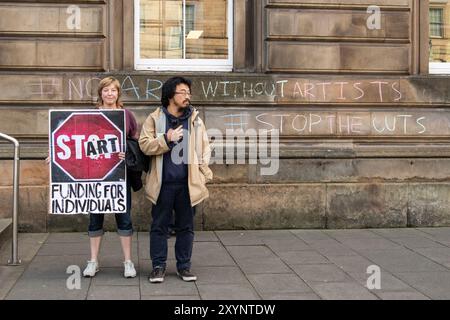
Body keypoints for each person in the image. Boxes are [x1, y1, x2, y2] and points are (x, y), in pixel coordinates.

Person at [139, 76, 213, 283]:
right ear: (170, 95)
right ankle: (158, 267)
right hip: (163, 184)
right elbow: (144, 145)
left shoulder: (195, 120)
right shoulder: (154, 118)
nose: (187, 96)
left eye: (189, 93)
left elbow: (205, 148)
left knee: (186, 228)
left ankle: (184, 267)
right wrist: (166, 139)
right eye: (183, 92)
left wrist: (202, 174)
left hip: (187, 185)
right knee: (159, 227)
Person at [82, 76, 138, 278]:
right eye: (106, 90)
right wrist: (56, 157)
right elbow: (76, 143)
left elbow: (136, 144)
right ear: (100, 93)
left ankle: (128, 262)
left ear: (118, 93)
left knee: (124, 219)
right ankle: (93, 261)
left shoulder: (127, 116)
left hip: (120, 177)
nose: (109, 94)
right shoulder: (90, 116)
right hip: (96, 178)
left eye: (113, 90)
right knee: (95, 219)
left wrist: (128, 154)